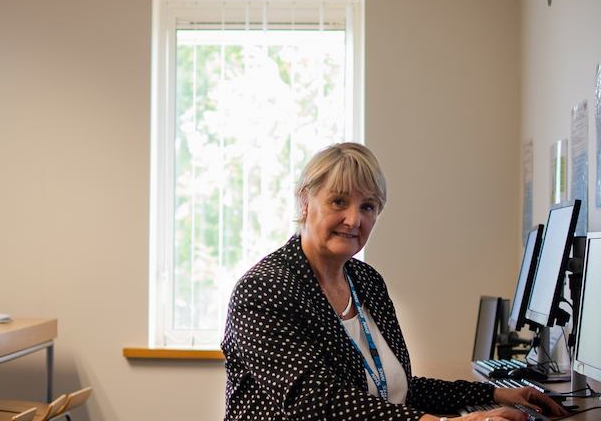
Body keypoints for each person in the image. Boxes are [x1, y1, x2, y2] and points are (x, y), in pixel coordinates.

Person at [221, 143, 567, 420]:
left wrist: (494, 394)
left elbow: (395, 388)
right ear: (305, 201)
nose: (353, 219)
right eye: (338, 201)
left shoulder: (367, 282)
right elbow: (316, 402)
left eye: (368, 206)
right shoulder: (263, 290)